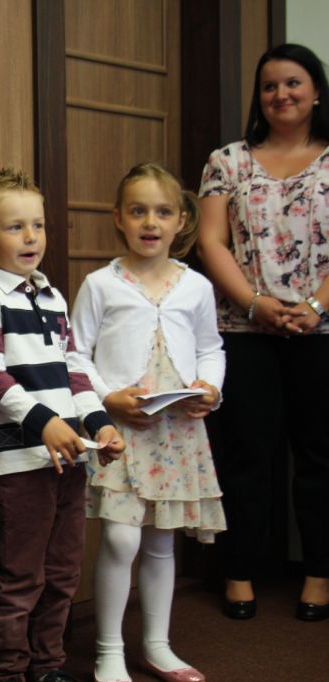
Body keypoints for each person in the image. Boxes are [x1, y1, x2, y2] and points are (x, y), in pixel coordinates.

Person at [0, 167, 125, 682]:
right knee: (21, 578)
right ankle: (8, 671)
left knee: (62, 574)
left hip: (70, 459)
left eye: (37, 225)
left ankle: (48, 666)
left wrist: (99, 424)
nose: (30, 237)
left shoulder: (52, 296)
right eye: (15, 227)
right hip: (21, 462)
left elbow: (75, 369)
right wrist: (45, 423)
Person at [71, 163, 226, 682]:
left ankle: (157, 645)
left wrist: (211, 387)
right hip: (122, 431)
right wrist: (107, 398)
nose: (150, 222)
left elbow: (211, 348)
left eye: (162, 212)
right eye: (138, 211)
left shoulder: (196, 286)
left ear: (181, 220)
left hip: (177, 430)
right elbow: (75, 355)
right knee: (121, 539)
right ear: (119, 218)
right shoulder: (100, 284)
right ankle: (109, 650)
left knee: (161, 540)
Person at [197, 42, 329, 623]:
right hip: (243, 328)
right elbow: (211, 242)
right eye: (270, 85)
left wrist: (316, 306)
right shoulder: (227, 161)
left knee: (319, 456)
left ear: (316, 91)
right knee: (247, 454)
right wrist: (254, 304)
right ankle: (240, 572)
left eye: (293, 83)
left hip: (322, 331)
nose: (281, 94)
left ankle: (319, 574)